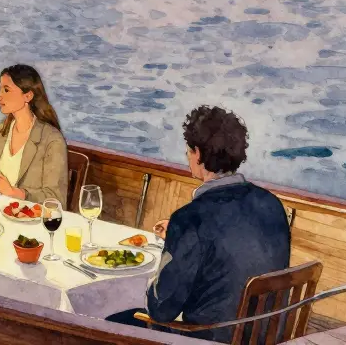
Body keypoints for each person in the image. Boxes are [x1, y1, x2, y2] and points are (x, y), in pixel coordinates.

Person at [107, 106, 291, 343]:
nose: (186, 156)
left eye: (188, 150)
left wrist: (175, 245)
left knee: (107, 322)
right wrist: (178, 237)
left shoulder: (190, 219)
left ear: (198, 153)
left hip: (205, 339)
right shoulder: (272, 204)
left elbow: (161, 309)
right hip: (264, 337)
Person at [0, 64, 68, 204]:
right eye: (0, 89)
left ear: (28, 96)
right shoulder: (0, 130)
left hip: (28, 219)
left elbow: (57, 199)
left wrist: (14, 193)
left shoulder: (52, 139)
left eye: (6, 90)